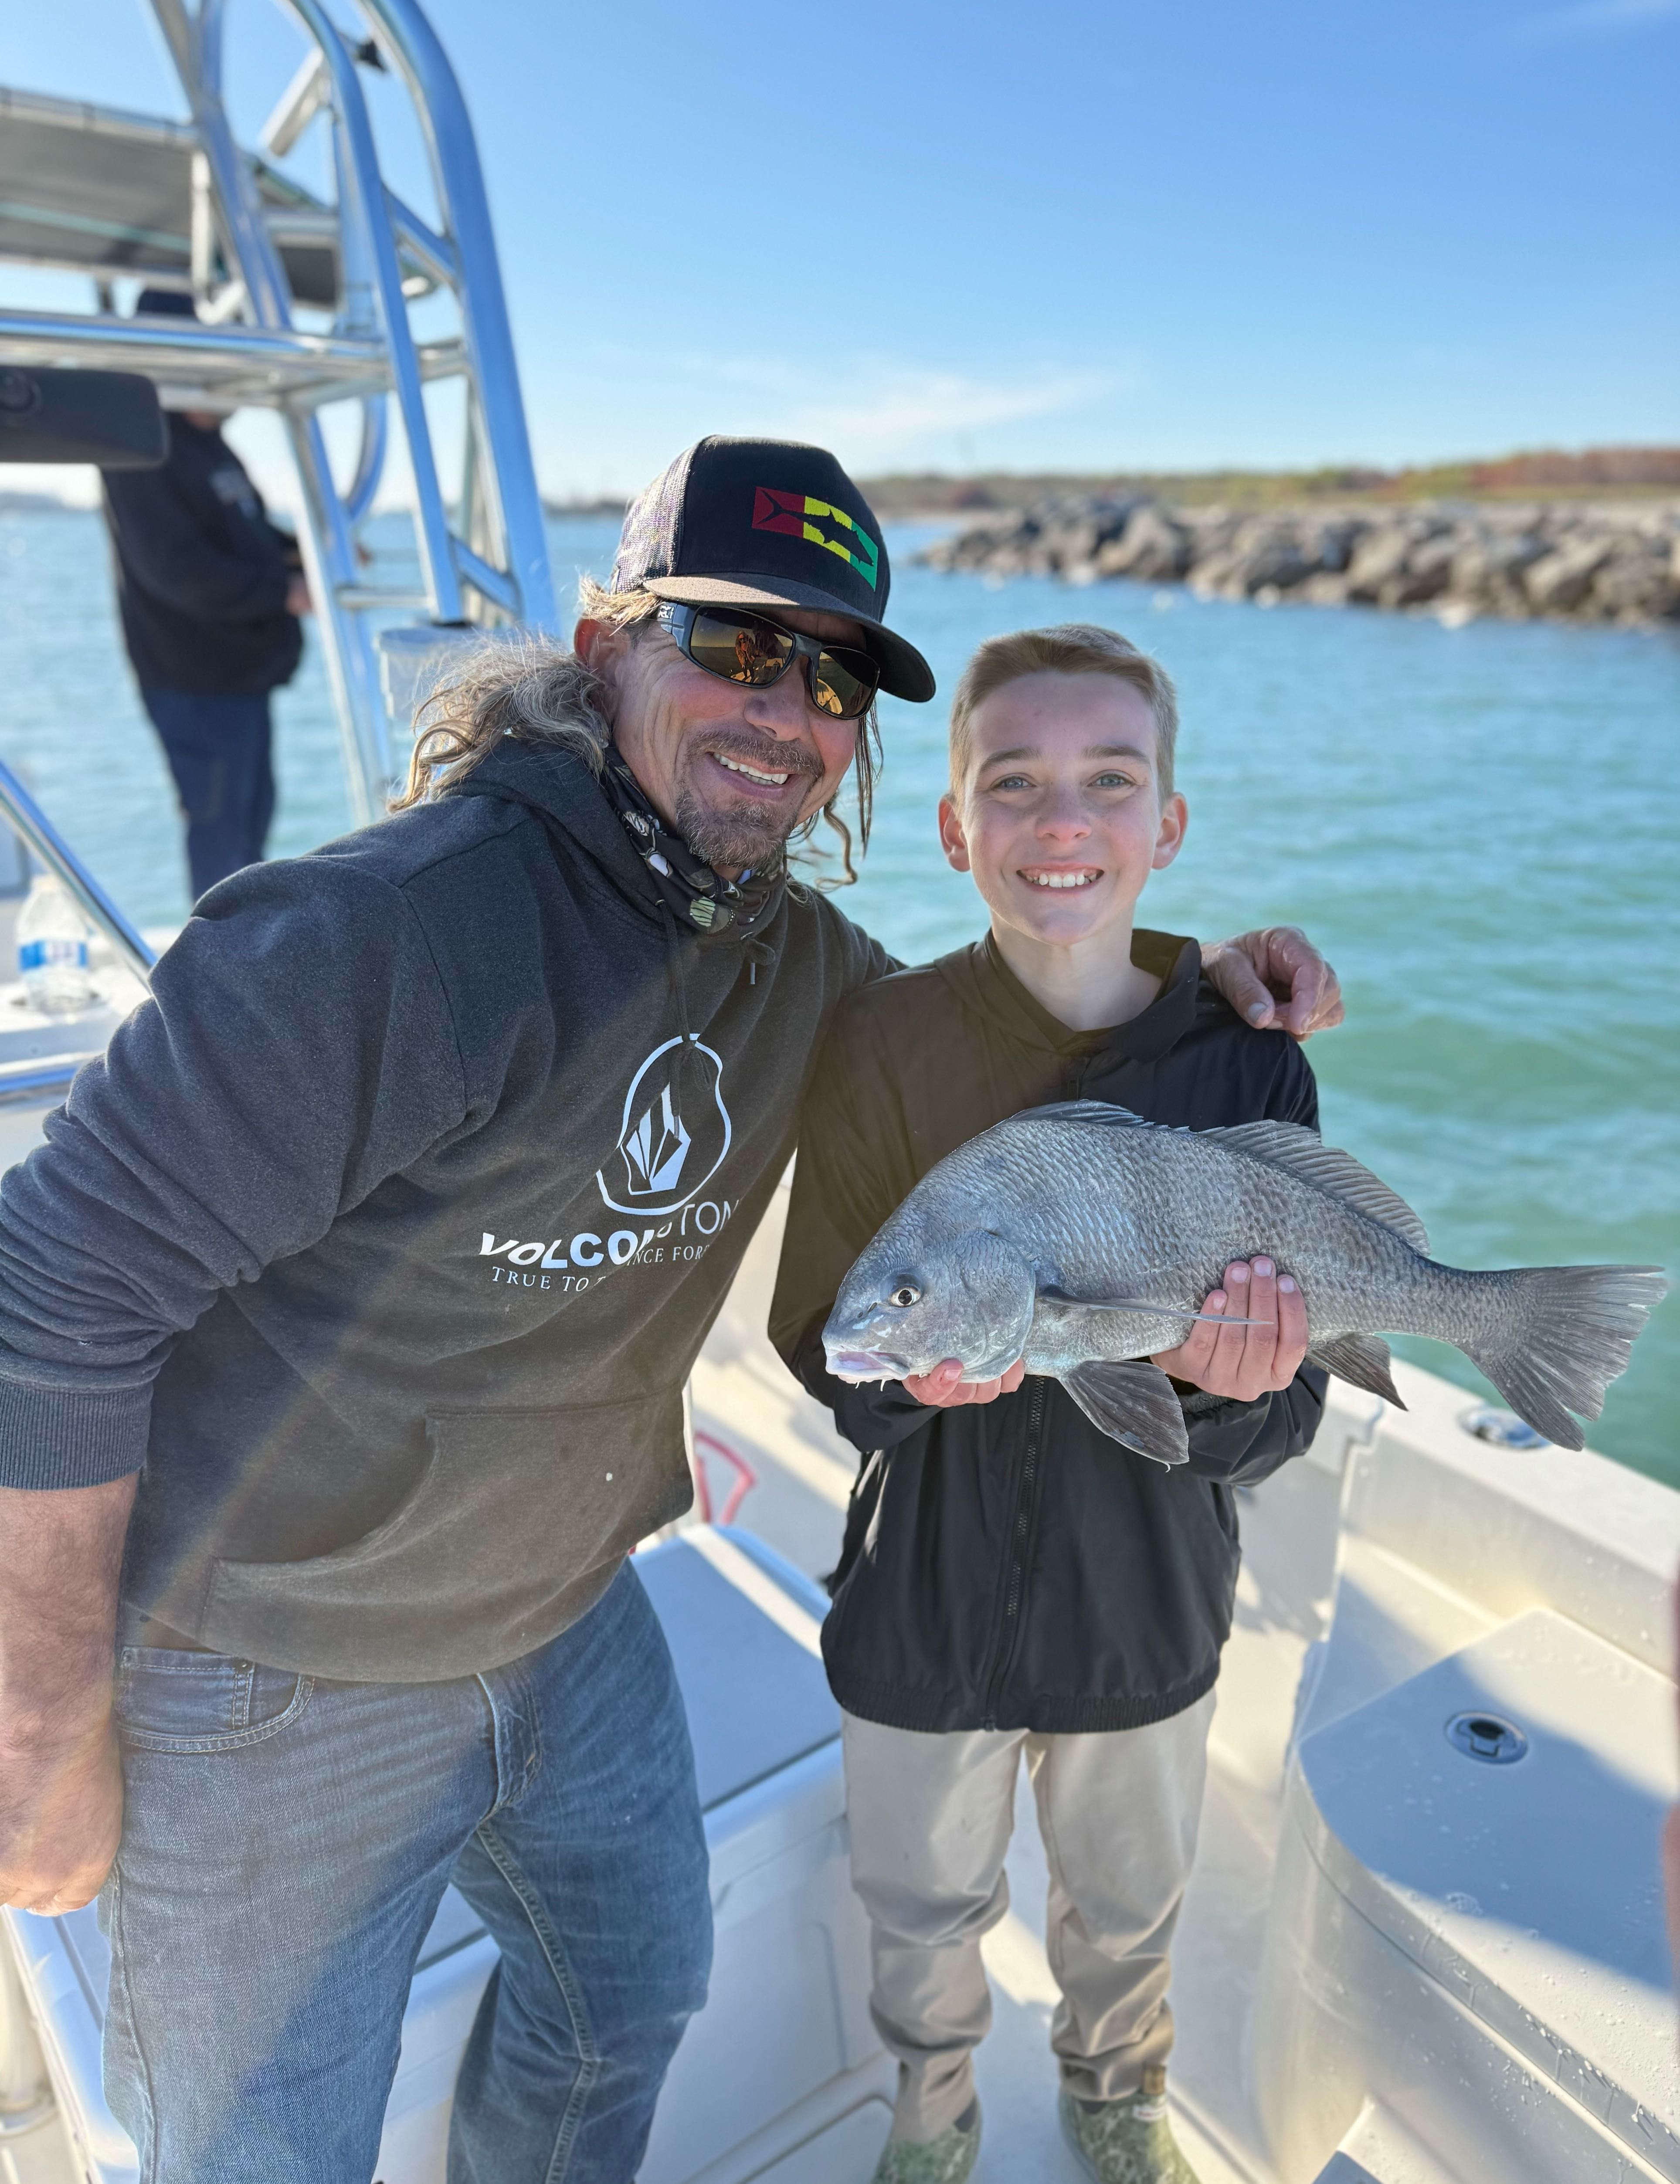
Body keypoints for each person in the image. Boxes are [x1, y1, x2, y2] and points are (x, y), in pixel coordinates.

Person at [0, 437, 1341, 2184]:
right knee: (259, 2150)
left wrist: (1202, 988)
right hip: (271, 1668)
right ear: (602, 640)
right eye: (734, 645)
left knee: (627, 1995)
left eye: (834, 672)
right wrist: (36, 1736)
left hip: (570, 1617)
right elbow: (49, 1294)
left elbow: (1002, 1034)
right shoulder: (381, 933)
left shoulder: (797, 965)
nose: (786, 709)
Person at [770, 623, 1332, 2184]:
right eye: (1011, 783)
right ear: (955, 829)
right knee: (919, 1903)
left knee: (1128, 1903)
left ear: (1167, 825)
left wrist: (1219, 1394)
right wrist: (906, 1394)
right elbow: (823, 1334)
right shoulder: (879, 1044)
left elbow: (1281, 1418)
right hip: (918, 1602)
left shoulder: (1251, 1069)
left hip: (1143, 1600)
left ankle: (1114, 2094)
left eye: (1108, 780)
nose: (1059, 820)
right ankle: (932, 2108)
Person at [100, 288, 308, 900]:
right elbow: (175, 568)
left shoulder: (210, 444)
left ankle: (242, 964)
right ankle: (217, 984)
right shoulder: (139, 449)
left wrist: (305, 553)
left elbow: (242, 531)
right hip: (193, 682)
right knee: (221, 838)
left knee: (251, 826)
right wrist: (286, 591)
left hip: (241, 679)